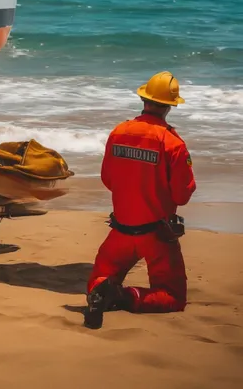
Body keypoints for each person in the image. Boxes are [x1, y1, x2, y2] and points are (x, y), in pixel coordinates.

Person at [84, 71, 196, 329]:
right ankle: (125, 296)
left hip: (120, 232)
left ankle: (103, 293)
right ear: (170, 105)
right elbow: (182, 194)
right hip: (156, 235)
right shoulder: (172, 143)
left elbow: (108, 179)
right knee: (173, 296)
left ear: (144, 99)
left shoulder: (119, 131)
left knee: (100, 278)